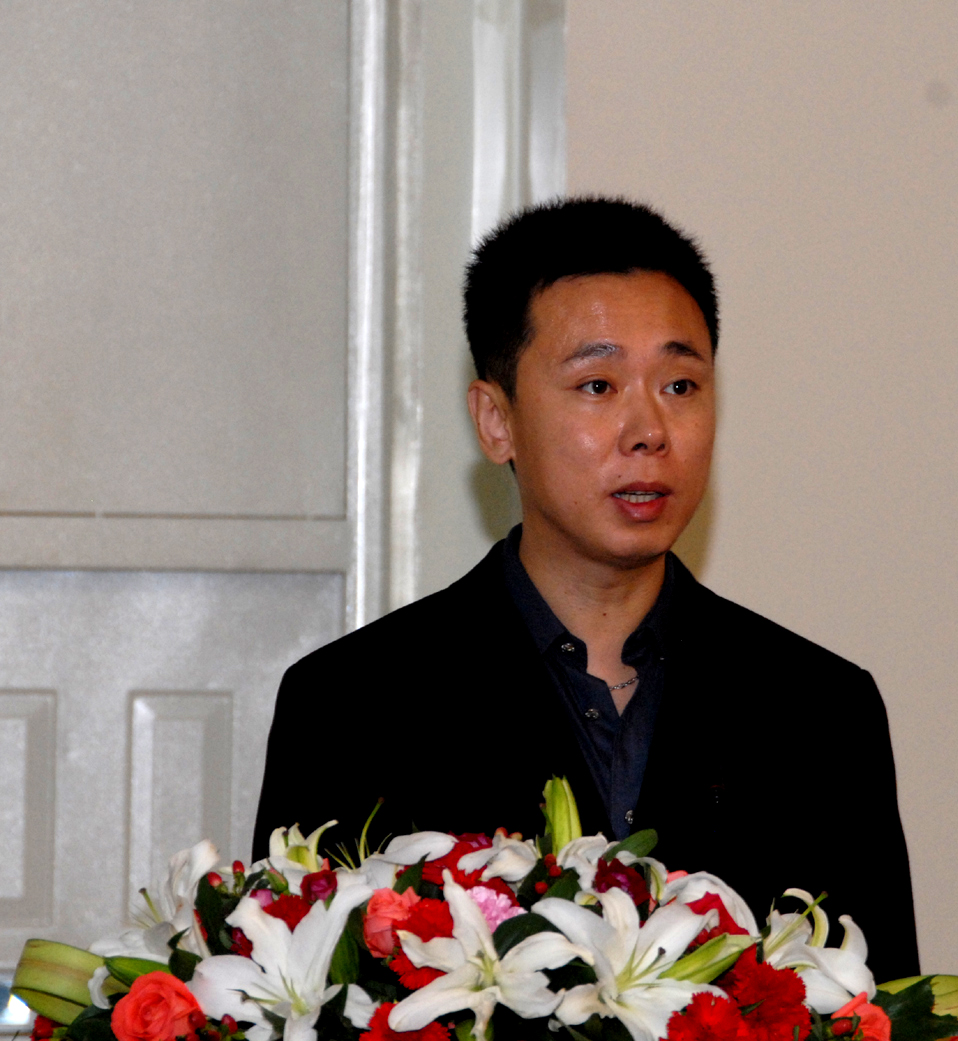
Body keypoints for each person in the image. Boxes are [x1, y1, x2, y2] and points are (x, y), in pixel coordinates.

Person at [253, 197, 920, 981]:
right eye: (598, 385)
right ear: (496, 419)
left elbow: (884, 1009)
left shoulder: (821, 712)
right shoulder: (351, 706)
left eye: (681, 385)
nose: (650, 430)